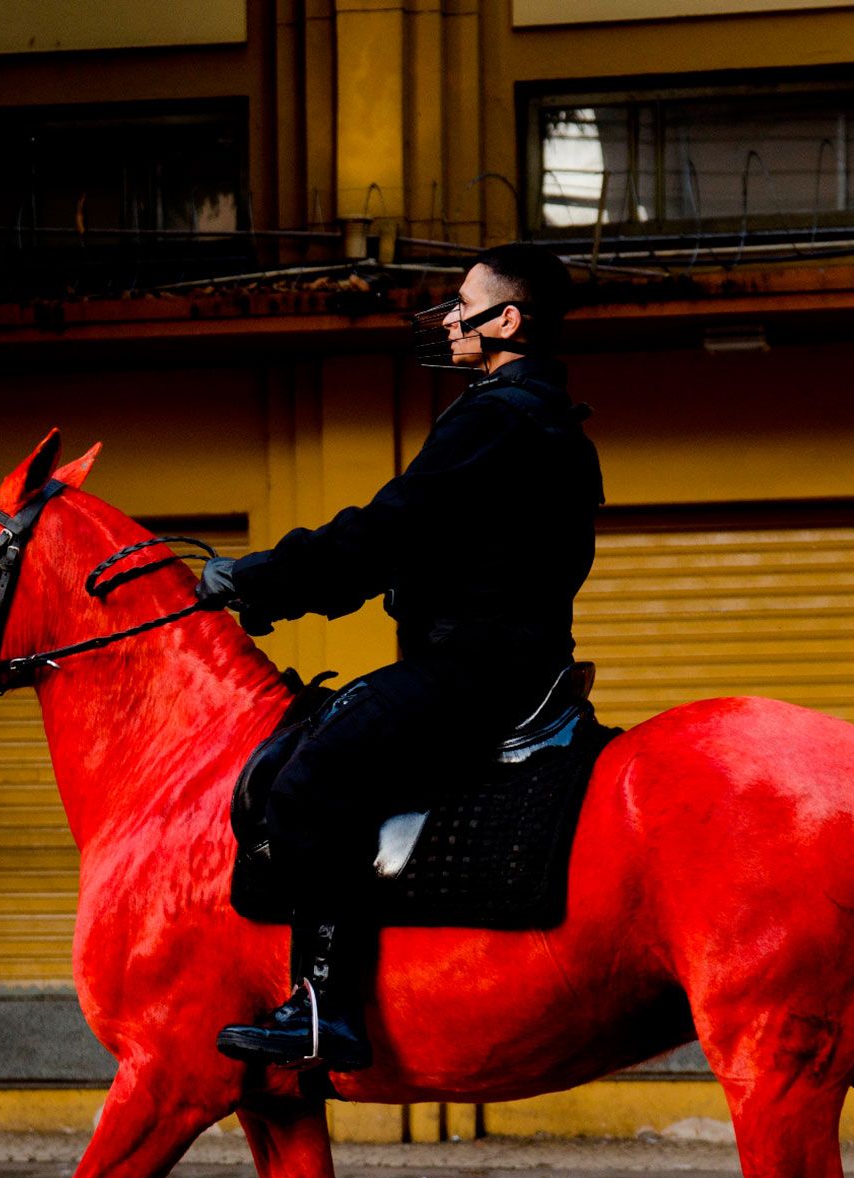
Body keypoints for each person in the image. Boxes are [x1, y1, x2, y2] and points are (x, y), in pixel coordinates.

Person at [199, 242, 603, 1070]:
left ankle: (325, 1011)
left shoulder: (495, 415)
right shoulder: (554, 420)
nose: (450, 316)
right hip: (521, 662)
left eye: (464, 302)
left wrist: (257, 581)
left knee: (310, 779)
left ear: (509, 319)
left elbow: (385, 532)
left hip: (470, 670)